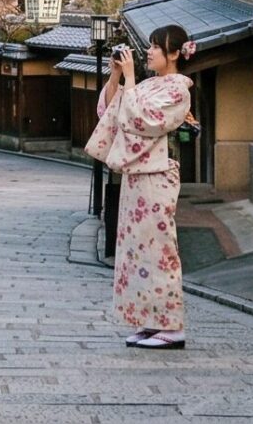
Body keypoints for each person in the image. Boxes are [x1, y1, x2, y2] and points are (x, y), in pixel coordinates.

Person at [85, 23, 195, 349]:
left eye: (156, 47)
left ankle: (172, 327)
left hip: (157, 177)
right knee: (135, 254)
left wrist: (130, 80)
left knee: (159, 251)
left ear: (174, 54)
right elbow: (110, 112)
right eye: (149, 46)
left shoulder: (179, 91)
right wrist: (116, 77)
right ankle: (149, 322)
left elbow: (141, 121)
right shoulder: (148, 85)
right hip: (136, 178)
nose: (149, 52)